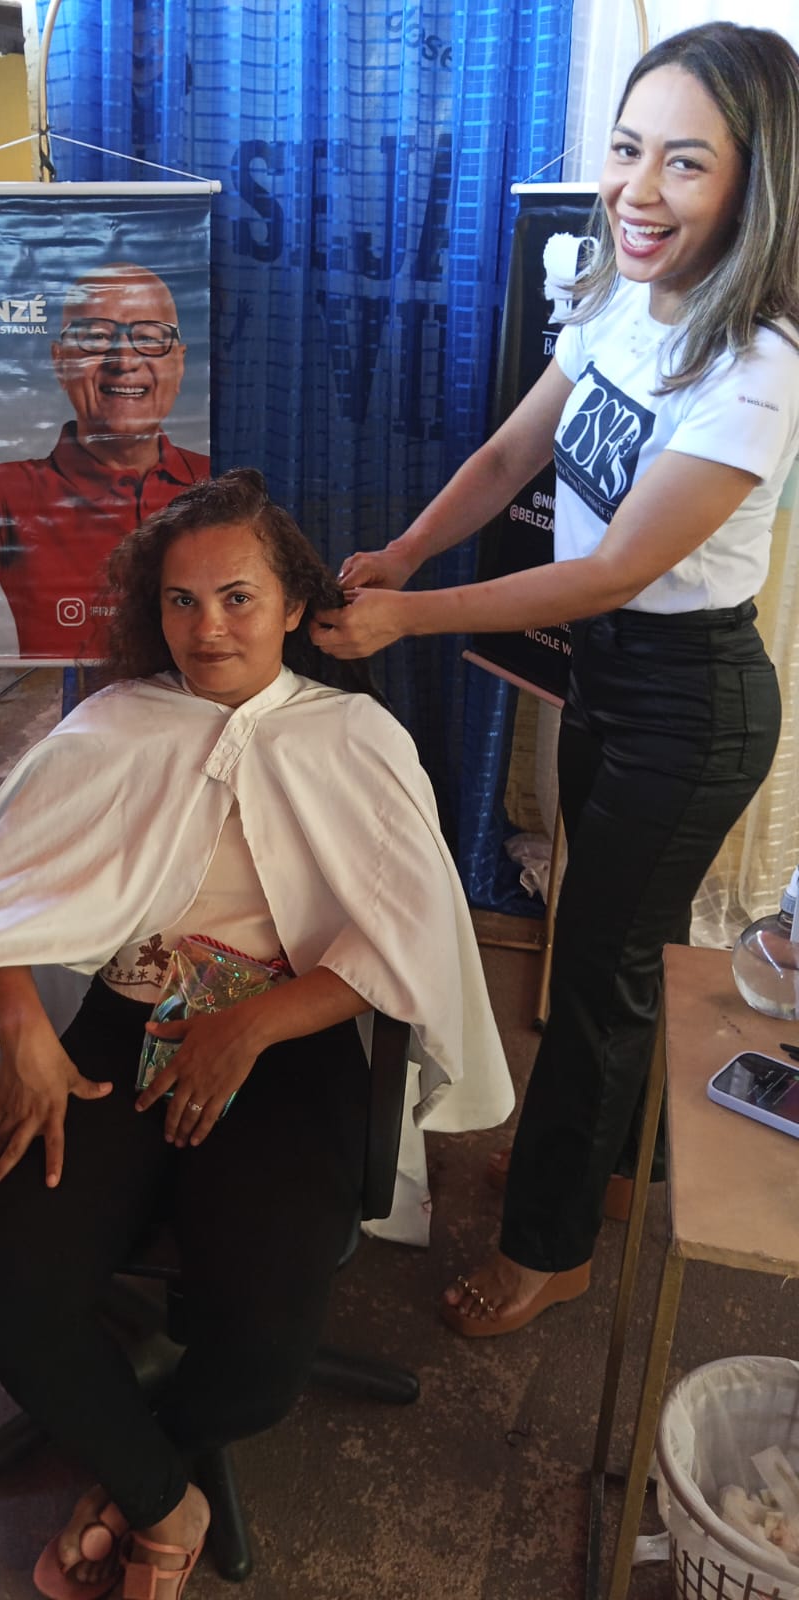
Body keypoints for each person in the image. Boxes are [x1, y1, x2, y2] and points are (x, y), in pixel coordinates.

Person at [0, 469, 512, 1598]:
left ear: (293, 605)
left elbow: (410, 937)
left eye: (237, 598)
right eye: (181, 601)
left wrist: (254, 1023)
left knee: (262, 1359)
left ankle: (130, 1465)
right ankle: (163, 1497)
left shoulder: (356, 737)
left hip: (290, 1037)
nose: (208, 627)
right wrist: (23, 1026)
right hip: (120, 1027)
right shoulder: (111, 725)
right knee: (12, 1283)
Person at [313, 22, 799, 1336]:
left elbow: (610, 571)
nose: (639, 189)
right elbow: (509, 456)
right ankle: (612, 1173)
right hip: (615, 684)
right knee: (616, 956)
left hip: (689, 703)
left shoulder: (758, 365)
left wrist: (410, 616)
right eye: (628, 149)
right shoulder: (626, 298)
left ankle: (551, 1246)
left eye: (686, 162)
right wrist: (404, 550)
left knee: (597, 975)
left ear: (755, 184)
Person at [0, 218, 210, 659]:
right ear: (60, 361)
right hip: (74, 698)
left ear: (179, 364)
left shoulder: (216, 486)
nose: (124, 359)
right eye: (96, 337)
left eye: (149, 338)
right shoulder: (17, 497)